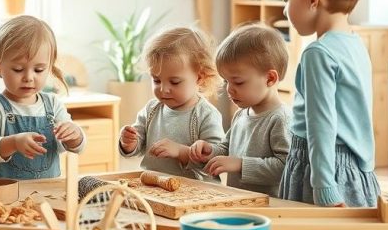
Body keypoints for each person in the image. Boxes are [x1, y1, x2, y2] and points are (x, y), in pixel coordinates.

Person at [270, 0, 380, 207]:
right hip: (355, 167)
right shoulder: (355, 43)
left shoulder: (318, 54)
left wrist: (324, 186)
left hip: (321, 168)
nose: (285, 9)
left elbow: (321, 126)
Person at [0, 16, 86, 179]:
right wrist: (14, 143)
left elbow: (73, 147)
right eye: (18, 69)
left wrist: (75, 135)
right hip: (4, 195)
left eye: (39, 70)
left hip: (47, 191)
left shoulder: (53, 104)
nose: (28, 77)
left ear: (50, 66)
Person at [188, 23, 291, 196]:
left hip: (270, 208)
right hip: (240, 200)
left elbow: (285, 167)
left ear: (270, 78)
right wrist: (210, 151)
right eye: (226, 81)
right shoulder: (241, 115)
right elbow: (227, 148)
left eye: (238, 82)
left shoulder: (280, 119)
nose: (229, 89)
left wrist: (240, 164)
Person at [118, 26, 224, 180]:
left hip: (196, 193)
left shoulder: (206, 114)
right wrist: (128, 143)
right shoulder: (151, 109)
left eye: (174, 82)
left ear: (200, 77)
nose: (163, 89)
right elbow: (137, 145)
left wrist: (181, 152)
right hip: (155, 184)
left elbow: (215, 159)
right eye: (156, 80)